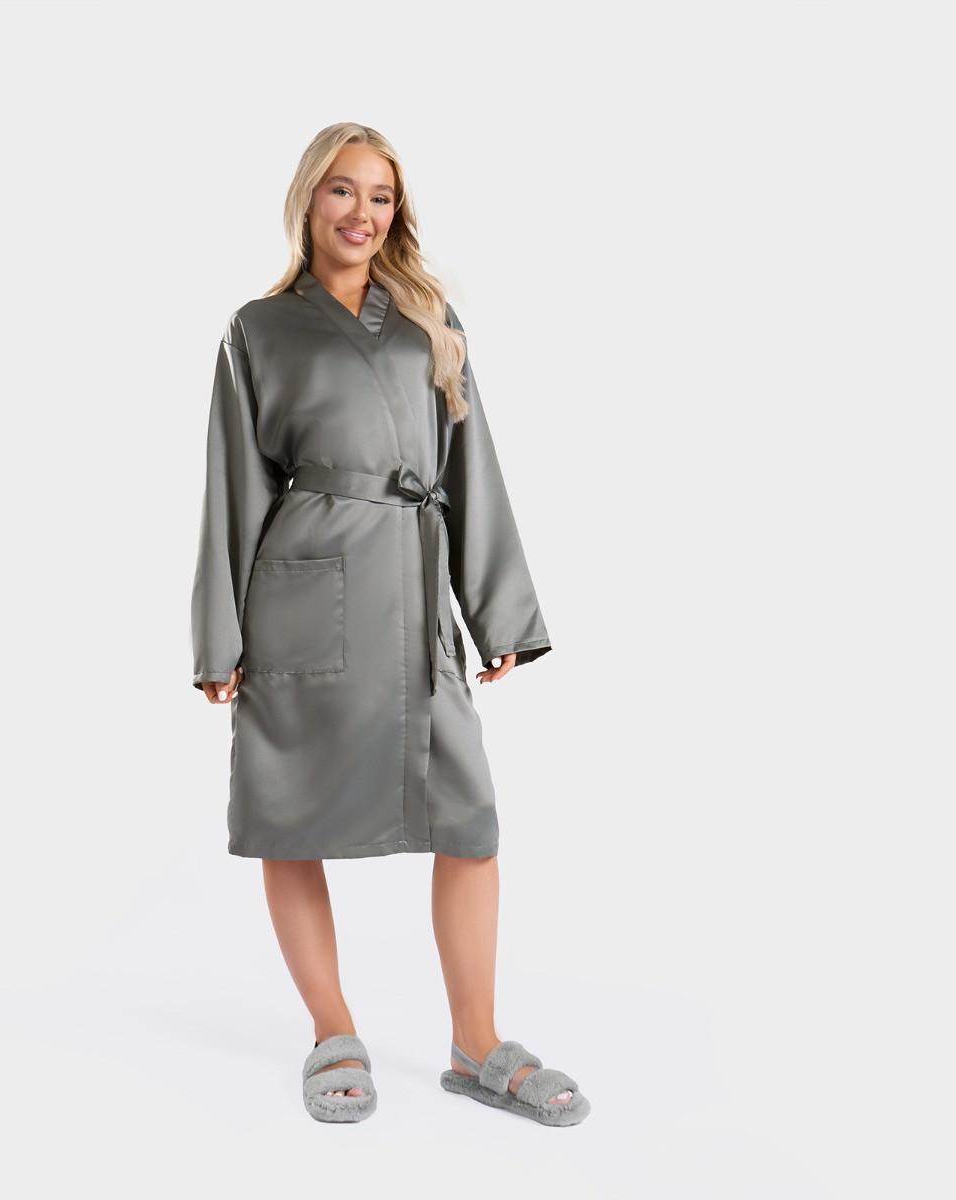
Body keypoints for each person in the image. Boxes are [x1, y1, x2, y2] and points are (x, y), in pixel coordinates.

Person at [190, 123, 589, 1126]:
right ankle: (332, 1028)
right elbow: (233, 486)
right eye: (342, 190)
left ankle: (476, 1041)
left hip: (414, 592)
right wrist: (219, 638)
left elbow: (471, 462)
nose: (361, 213)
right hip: (301, 592)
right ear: (307, 200)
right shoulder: (258, 329)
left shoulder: (428, 319)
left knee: (470, 818)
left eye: (379, 195)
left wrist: (496, 607)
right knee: (287, 805)